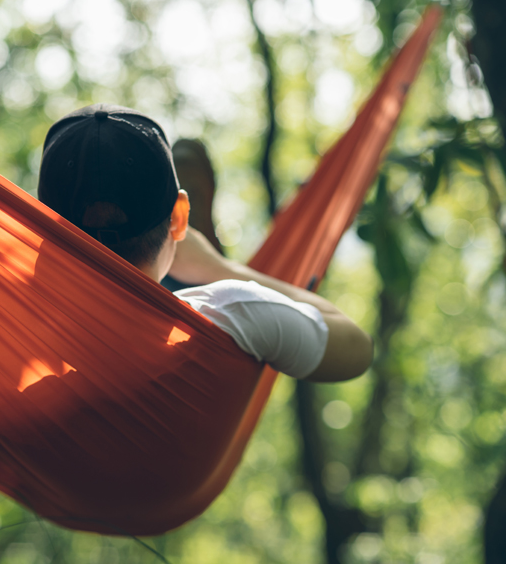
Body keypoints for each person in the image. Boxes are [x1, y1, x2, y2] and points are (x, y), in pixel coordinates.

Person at [38, 104, 373, 382]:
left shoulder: (20, 363)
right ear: (180, 216)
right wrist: (218, 268)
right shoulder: (230, 316)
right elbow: (357, 348)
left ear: (46, 237)